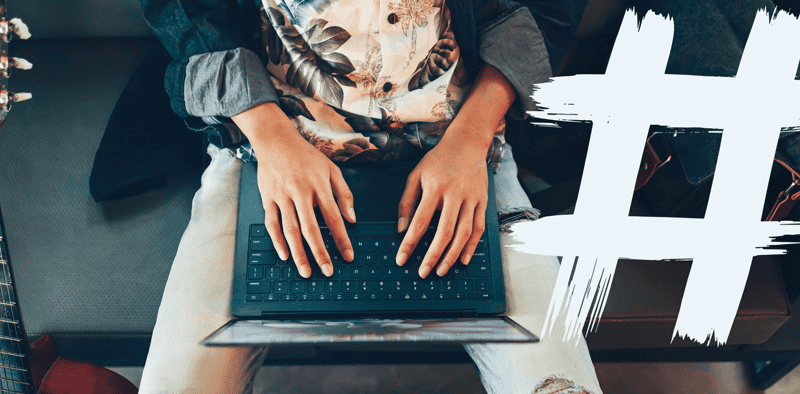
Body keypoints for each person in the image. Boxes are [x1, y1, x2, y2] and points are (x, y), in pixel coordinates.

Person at [136, 0, 603, 392]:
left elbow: (540, 12)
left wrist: (471, 139)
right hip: (269, 148)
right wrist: (271, 137)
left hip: (460, 148)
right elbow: (188, 13)